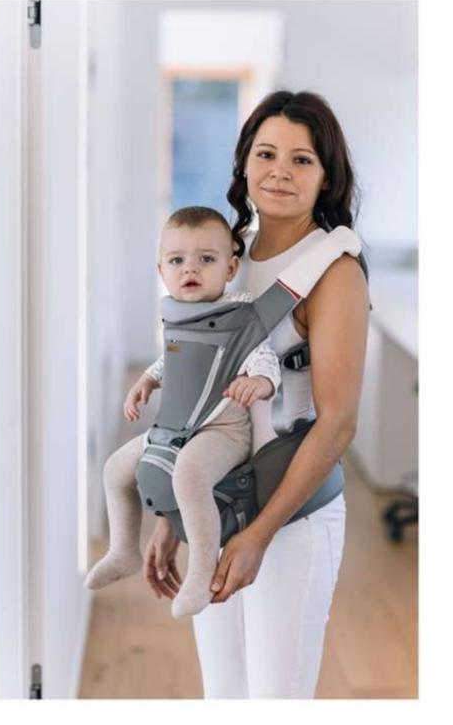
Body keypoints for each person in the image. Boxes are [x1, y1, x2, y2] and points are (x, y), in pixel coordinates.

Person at [142, 90, 370, 698]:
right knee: (223, 695)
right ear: (244, 163)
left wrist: (261, 535)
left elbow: (338, 423)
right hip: (219, 508)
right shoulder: (223, 256)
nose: (280, 171)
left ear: (326, 177)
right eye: (266, 153)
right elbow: (194, 391)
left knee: (275, 698)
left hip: (290, 520)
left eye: (302, 160)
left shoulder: (334, 272)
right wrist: (173, 514)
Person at [84, 205, 282, 618]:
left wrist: (261, 382)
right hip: (175, 429)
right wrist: (146, 381)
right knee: (116, 470)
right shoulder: (176, 312)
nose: (190, 268)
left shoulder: (238, 316)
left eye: (206, 259)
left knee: (189, 474)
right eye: (177, 260)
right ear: (161, 269)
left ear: (230, 268)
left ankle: (201, 572)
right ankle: (123, 550)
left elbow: (264, 358)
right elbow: (173, 358)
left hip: (223, 430)